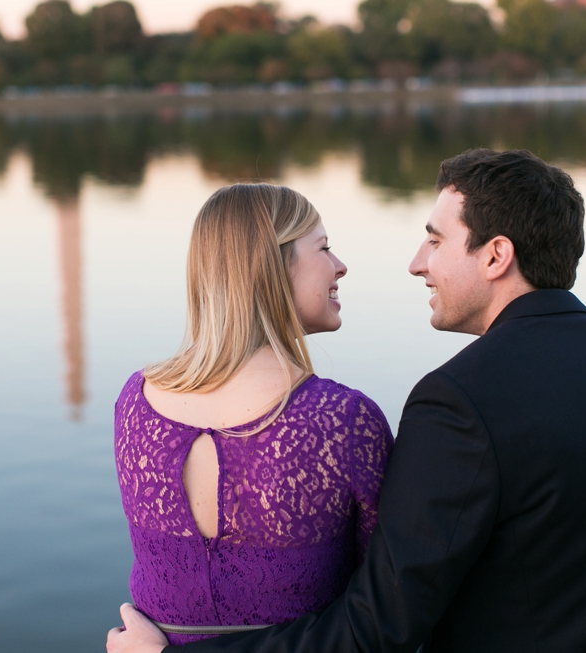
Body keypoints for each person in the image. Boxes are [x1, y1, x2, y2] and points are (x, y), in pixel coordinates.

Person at [108, 149, 586, 653]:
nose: (416, 263)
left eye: (436, 240)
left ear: (496, 255)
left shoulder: (461, 401)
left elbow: (383, 623)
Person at [112, 183, 394, 647]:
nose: (341, 265)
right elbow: (381, 601)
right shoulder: (342, 422)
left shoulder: (135, 402)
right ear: (273, 266)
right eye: (323, 248)